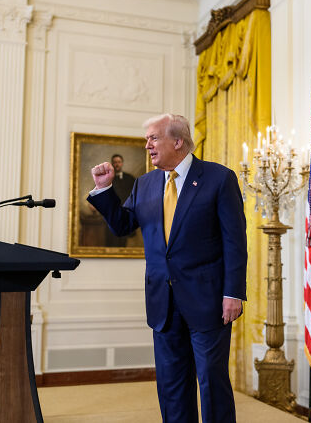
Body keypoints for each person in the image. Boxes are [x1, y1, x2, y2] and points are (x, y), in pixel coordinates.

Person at [87, 113, 247, 423]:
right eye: (147, 139)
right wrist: (104, 190)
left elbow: (235, 242)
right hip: (163, 303)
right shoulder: (145, 184)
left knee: (212, 383)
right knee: (172, 386)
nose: (147, 145)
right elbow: (122, 226)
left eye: (153, 138)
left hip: (209, 301)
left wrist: (233, 293)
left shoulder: (219, 178)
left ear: (177, 141)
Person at [106, 154, 136, 247]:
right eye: (115, 162)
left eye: (118, 162)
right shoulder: (107, 179)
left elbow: (135, 195)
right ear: (112, 164)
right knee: (112, 241)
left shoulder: (130, 178)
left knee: (124, 242)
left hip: (125, 214)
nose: (117, 164)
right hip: (112, 214)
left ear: (122, 163)